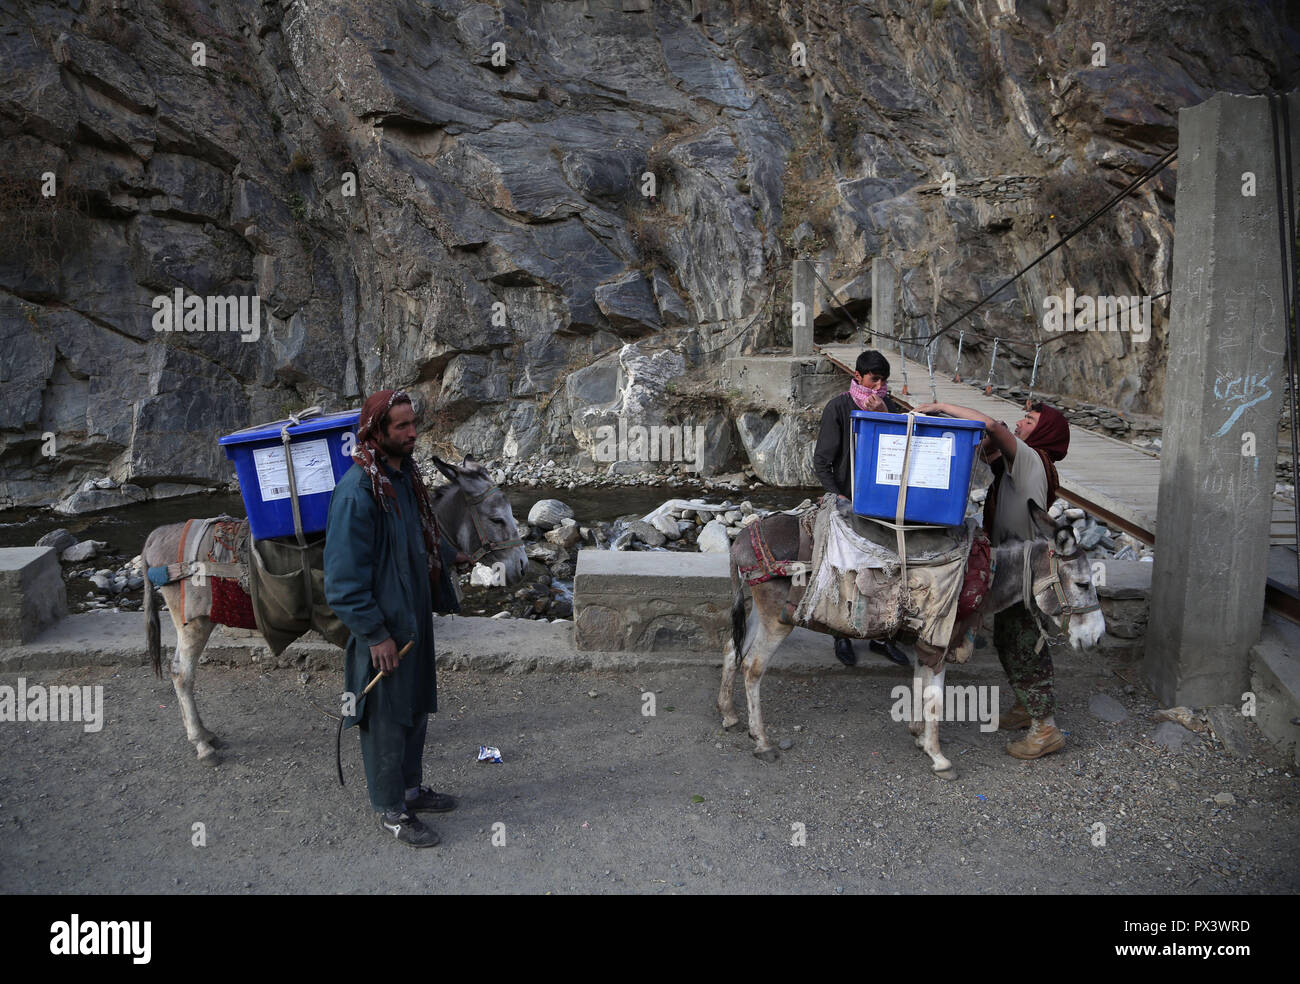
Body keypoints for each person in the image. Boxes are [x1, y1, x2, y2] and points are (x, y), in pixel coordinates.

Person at [325, 389, 464, 847]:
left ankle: (409, 790)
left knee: (415, 708)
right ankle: (390, 809)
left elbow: (415, 540)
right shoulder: (358, 491)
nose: (412, 434)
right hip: (385, 631)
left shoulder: (403, 479)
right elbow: (343, 581)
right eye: (401, 427)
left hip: (414, 624)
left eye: (413, 424)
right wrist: (374, 634)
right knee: (385, 718)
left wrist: (448, 555)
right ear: (376, 432)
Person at [914, 398, 1072, 760]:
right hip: (1016, 564)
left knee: (1024, 643)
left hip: (1024, 569)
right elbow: (988, 451)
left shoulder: (1032, 458)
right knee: (1007, 638)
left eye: (1029, 420)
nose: (1021, 422)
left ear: (1043, 431)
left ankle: (1045, 728)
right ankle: (1026, 705)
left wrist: (940, 406)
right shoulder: (1027, 463)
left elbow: (991, 427)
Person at [812, 349, 910, 669]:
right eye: (874, 379)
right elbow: (823, 459)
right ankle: (841, 634)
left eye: (883, 380)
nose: (879, 385)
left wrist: (884, 413)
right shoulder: (838, 407)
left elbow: (900, 446)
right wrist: (837, 496)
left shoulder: (889, 406)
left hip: (882, 502)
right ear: (858, 376)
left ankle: (883, 636)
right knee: (845, 569)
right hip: (847, 500)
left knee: (886, 569)